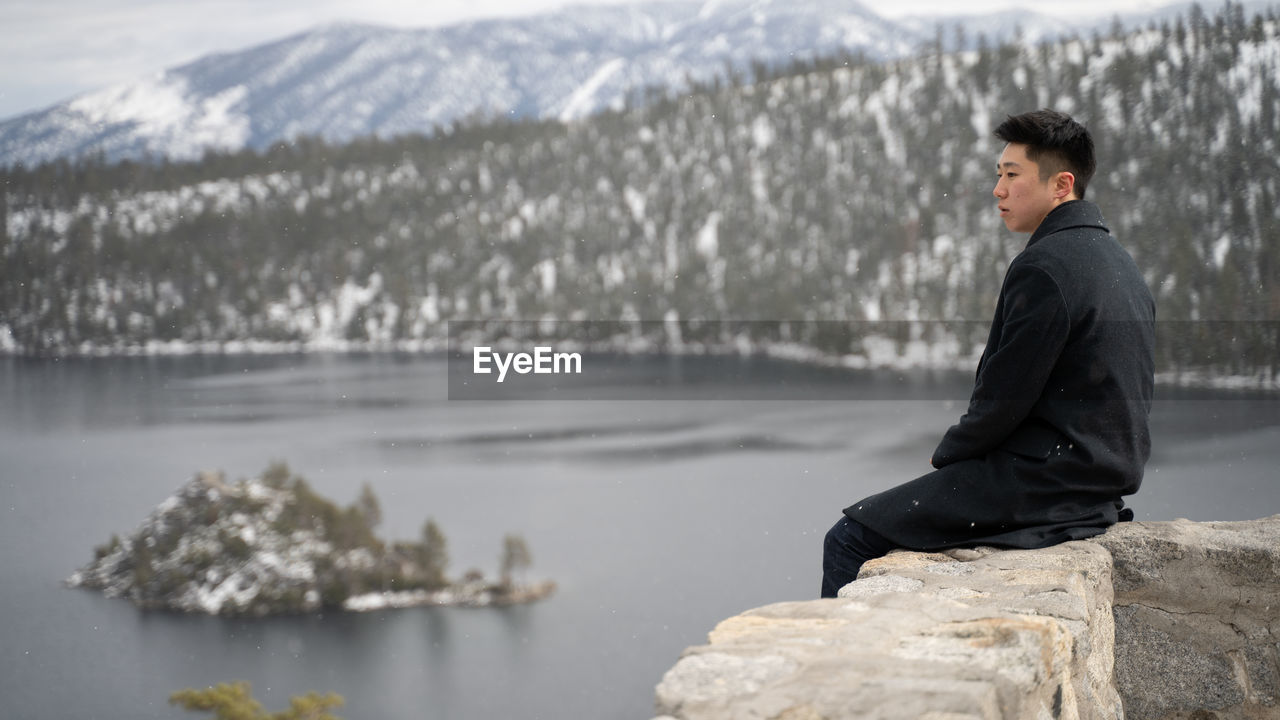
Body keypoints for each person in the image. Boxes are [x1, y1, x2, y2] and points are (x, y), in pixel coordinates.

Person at [821, 109, 1155, 598]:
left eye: (1012, 175)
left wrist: (948, 457)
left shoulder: (1045, 266)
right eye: (998, 174)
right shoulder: (1119, 262)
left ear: (1062, 185)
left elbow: (1001, 401)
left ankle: (841, 672)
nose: (998, 189)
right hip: (1096, 486)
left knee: (850, 538)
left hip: (1045, 485)